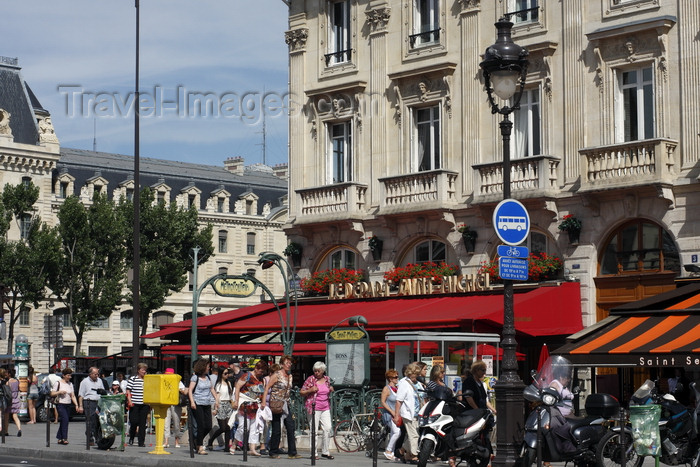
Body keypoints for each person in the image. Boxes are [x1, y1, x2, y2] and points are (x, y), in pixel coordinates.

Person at [261, 355, 301, 459]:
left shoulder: (290, 376)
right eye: (287, 363)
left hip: (285, 404)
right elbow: (267, 388)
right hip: (276, 404)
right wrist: (263, 402)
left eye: (290, 363)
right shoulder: (276, 375)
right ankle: (273, 451)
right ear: (282, 364)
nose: (289, 365)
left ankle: (292, 452)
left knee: (290, 426)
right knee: (276, 428)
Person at [300, 361, 335, 460]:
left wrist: (331, 389)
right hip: (313, 407)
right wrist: (309, 390)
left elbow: (328, 388)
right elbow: (301, 392)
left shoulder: (327, 379)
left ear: (323, 371)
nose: (316, 373)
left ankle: (325, 451)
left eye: (318, 371)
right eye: (315, 371)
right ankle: (313, 453)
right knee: (314, 430)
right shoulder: (310, 379)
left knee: (327, 428)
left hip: (325, 407)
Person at [232, 360, 268, 456]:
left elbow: (263, 392)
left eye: (263, 372)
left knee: (254, 428)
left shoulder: (261, 379)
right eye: (261, 371)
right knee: (243, 427)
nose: (262, 373)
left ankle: (252, 448)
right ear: (256, 368)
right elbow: (237, 386)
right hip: (245, 405)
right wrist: (236, 400)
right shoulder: (247, 376)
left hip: (255, 406)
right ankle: (235, 443)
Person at [393, 362, 422, 464]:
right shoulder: (404, 383)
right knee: (414, 436)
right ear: (410, 373)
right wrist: (396, 415)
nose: (418, 376)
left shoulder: (417, 383)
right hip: (408, 414)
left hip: (418, 414)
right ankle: (414, 455)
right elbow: (399, 400)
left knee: (412, 435)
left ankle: (402, 452)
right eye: (416, 374)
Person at [189, 358, 219, 455]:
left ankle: (197, 440)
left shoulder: (208, 377)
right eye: (207, 366)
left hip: (207, 403)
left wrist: (216, 399)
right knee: (201, 425)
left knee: (208, 426)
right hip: (198, 403)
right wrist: (192, 402)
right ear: (203, 367)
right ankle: (200, 446)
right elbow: (190, 390)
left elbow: (212, 389)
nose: (209, 368)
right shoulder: (195, 378)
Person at [51, 368, 82, 445]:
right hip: (60, 404)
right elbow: (52, 393)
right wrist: (59, 392)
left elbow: (73, 395)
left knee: (63, 421)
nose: (69, 377)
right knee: (65, 420)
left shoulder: (70, 384)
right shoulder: (58, 383)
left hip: (68, 404)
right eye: (68, 375)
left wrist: (76, 405)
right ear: (63, 375)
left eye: (70, 375)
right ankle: (65, 438)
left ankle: (59, 437)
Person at [78, 366, 106, 446]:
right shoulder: (84, 382)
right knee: (90, 420)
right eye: (95, 374)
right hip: (89, 402)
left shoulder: (99, 381)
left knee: (99, 421)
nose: (97, 376)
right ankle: (89, 436)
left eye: (98, 374)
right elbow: (81, 395)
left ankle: (98, 438)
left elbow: (103, 391)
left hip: (99, 402)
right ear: (90, 374)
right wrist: (80, 406)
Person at [207, 366, 233, 452]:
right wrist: (216, 407)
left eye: (227, 373)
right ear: (221, 374)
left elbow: (230, 396)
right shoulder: (218, 384)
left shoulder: (229, 383)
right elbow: (217, 397)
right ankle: (211, 440)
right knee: (222, 427)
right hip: (221, 404)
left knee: (228, 427)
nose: (227, 375)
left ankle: (227, 446)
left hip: (228, 404)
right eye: (225, 373)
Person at [126, 363, 150, 447]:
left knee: (142, 423)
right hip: (134, 403)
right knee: (134, 421)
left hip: (144, 404)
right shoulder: (133, 379)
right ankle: (131, 437)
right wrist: (129, 401)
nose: (144, 371)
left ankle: (141, 441)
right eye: (143, 370)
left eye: (145, 370)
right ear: (138, 370)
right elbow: (128, 390)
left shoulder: (147, 379)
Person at [380, 369, 401, 461]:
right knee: (397, 432)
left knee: (393, 432)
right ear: (390, 379)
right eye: (395, 377)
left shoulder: (397, 388)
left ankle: (391, 452)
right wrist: (391, 411)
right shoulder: (386, 389)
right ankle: (388, 450)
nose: (397, 378)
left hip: (397, 414)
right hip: (389, 414)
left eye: (397, 376)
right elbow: (383, 402)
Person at [163, 368, 187, 448]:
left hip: (175, 403)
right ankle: (166, 441)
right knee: (166, 423)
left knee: (176, 423)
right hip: (166, 403)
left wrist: (180, 390)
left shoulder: (178, 382)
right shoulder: (163, 381)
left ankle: (177, 440)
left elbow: (183, 390)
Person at [7, 369, 22, 436]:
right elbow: (20, 389)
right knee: (15, 416)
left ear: (9, 374)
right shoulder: (17, 381)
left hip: (9, 401)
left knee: (6, 417)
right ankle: (19, 429)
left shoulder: (8, 382)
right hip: (16, 400)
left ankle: (5, 431)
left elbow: (7, 392)